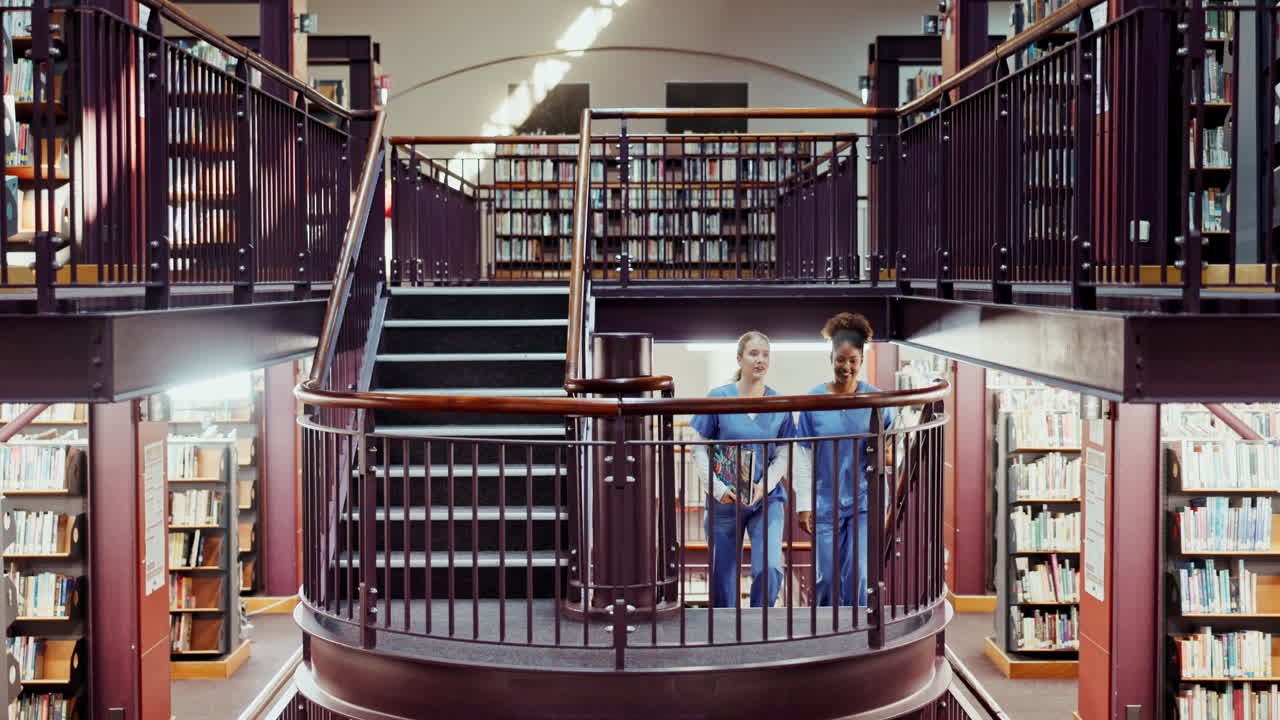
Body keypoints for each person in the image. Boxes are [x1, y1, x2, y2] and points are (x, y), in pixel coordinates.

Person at [794, 312, 895, 607]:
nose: (846, 367)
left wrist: (887, 454)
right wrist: (804, 505)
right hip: (826, 500)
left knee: (859, 573)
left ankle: (855, 632)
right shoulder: (814, 399)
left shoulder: (876, 400)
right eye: (841, 359)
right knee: (826, 575)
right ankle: (826, 632)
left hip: (866, 500)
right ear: (831, 359)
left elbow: (892, 444)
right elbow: (804, 454)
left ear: (861, 361)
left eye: (853, 360)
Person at [689, 331, 796, 608]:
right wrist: (718, 489)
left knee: (770, 567)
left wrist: (764, 486)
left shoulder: (780, 404)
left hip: (766, 499)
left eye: (765, 355)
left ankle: (759, 623)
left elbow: (783, 453)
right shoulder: (718, 398)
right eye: (753, 353)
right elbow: (699, 447)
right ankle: (725, 633)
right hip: (724, 500)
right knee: (721, 573)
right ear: (740, 358)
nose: (760, 360)